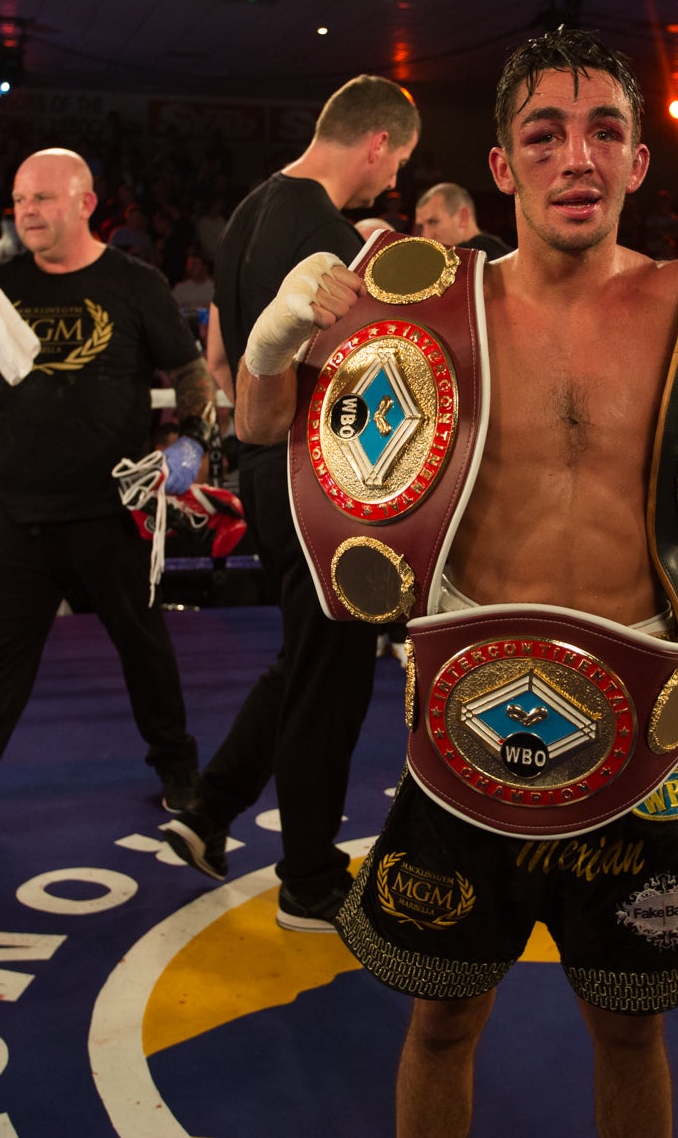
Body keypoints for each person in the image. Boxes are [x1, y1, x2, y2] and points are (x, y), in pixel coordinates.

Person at [232, 30, 678, 1133]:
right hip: (459, 729)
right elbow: (263, 422)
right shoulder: (424, 297)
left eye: (604, 131)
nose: (577, 158)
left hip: (639, 728)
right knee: (443, 1023)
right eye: (542, 135)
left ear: (639, 161)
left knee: (630, 1022)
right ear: (502, 166)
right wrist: (270, 339)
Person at [0, 147, 213, 842]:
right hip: (14, 511)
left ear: (86, 203)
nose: (27, 212)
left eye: (43, 198)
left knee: (144, 647)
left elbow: (189, 366)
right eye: (20, 200)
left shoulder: (134, 283)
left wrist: (195, 437)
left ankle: (180, 770)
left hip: (108, 509)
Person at [163, 75, 420, 930]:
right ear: (377, 141)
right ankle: (310, 879)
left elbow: (220, 345)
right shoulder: (329, 237)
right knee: (331, 682)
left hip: (267, 473)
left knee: (305, 663)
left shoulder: (245, 215)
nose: (393, 181)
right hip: (318, 480)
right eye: (399, 160)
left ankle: (209, 805)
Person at [413, 181, 509, 255]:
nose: (425, 235)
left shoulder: (470, 257)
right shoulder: (498, 249)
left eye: (433, 222)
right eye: (421, 226)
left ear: (462, 218)